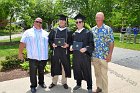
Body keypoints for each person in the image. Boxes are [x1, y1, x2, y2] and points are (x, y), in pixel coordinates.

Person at [18, 18, 49, 93]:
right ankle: (33, 86)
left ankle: (41, 83)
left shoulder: (46, 33)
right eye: (37, 21)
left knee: (41, 71)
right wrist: (20, 53)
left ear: (42, 23)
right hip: (33, 57)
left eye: (40, 22)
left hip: (43, 57)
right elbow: (22, 43)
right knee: (33, 73)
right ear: (34, 22)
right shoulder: (28, 32)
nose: (39, 23)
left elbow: (51, 43)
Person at [70, 13, 94, 93]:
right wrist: (70, 47)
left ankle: (89, 87)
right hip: (76, 56)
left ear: (83, 23)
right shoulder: (74, 34)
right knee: (77, 70)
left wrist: (86, 48)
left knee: (87, 71)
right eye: (77, 22)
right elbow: (71, 43)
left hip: (85, 56)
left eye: (80, 22)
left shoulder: (88, 33)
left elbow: (91, 44)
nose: (78, 24)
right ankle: (78, 84)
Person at [91, 12, 114, 93]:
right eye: (97, 18)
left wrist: (110, 55)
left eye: (100, 18)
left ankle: (105, 91)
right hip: (95, 56)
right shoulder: (93, 29)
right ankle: (99, 87)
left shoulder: (108, 29)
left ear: (103, 18)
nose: (98, 19)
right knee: (97, 73)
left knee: (104, 75)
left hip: (104, 56)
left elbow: (111, 42)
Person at [48, 14, 72, 89]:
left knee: (64, 67)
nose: (61, 21)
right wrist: (52, 44)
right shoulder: (54, 30)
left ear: (65, 22)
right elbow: (50, 39)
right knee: (55, 66)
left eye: (63, 20)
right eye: (60, 20)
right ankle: (54, 82)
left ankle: (64, 82)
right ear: (58, 21)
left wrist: (67, 45)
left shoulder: (69, 31)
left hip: (64, 53)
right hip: (56, 52)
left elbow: (71, 41)